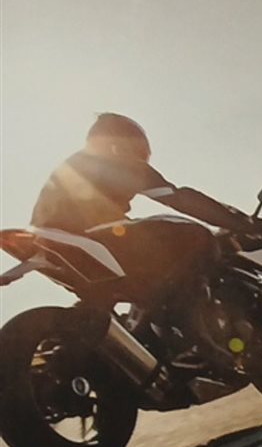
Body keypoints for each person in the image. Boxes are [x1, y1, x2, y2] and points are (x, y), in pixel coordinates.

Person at [29, 114, 248, 331]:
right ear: (121, 142)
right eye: (140, 151)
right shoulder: (115, 162)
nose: (141, 159)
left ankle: (124, 335)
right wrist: (239, 222)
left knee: (126, 281)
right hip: (87, 237)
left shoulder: (73, 167)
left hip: (50, 240)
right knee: (199, 237)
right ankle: (185, 321)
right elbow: (179, 198)